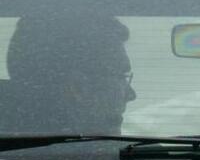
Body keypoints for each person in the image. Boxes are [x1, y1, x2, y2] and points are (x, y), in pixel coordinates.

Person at [3, 14, 136, 135]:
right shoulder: (85, 157)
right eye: (122, 77)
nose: (131, 95)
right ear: (78, 87)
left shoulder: (13, 153)